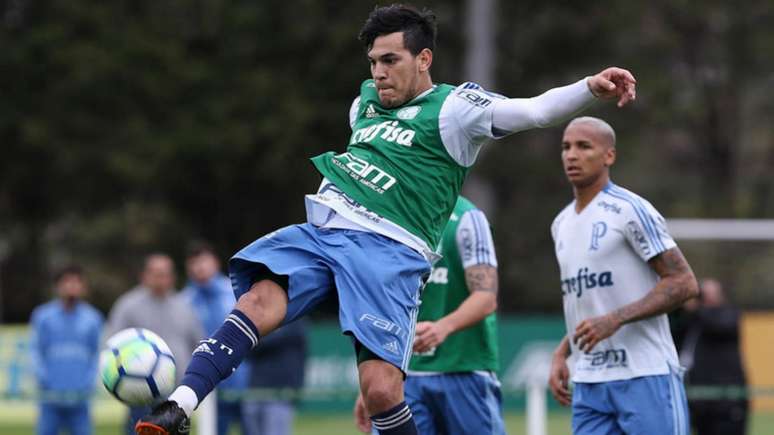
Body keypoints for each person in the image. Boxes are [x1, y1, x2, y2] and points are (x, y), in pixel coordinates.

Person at [136, 4, 637, 435]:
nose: (379, 72)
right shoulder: (365, 104)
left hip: (388, 253)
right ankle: (177, 405)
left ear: (424, 59)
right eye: (373, 61)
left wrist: (588, 87)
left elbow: (531, 111)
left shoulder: (455, 109)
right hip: (325, 230)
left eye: (390, 60)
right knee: (256, 300)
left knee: (380, 392)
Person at [547, 117, 700, 435]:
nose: (571, 155)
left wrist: (615, 319)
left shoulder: (630, 210)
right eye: (566, 147)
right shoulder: (561, 223)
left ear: (609, 156)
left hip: (644, 374)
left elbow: (683, 282)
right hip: (589, 380)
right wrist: (563, 352)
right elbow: (590, 301)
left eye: (583, 146)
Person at [353, 196, 503, 434]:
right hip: (402, 377)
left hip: (463, 370)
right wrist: (373, 383)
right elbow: (381, 301)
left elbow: (486, 297)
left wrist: (442, 327)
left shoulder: (468, 218)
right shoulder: (389, 217)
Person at [107, 253, 203, 435]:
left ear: (173, 277)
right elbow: (113, 345)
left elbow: (197, 344)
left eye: (166, 274)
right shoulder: (128, 305)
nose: (162, 279)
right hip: (141, 396)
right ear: (144, 275)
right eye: (156, 273)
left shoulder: (185, 306)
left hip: (176, 396)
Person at [181, 242, 250, 435]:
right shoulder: (184, 301)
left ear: (215, 263)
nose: (199, 267)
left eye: (203, 261)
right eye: (193, 263)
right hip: (207, 384)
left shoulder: (237, 292)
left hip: (243, 382)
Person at [30, 265, 104, 435]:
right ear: (57, 286)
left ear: (83, 287)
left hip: (81, 400)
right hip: (50, 399)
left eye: (76, 282)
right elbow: (35, 352)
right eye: (67, 282)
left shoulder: (93, 318)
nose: (71, 286)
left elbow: (97, 355)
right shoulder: (43, 316)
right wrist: (45, 380)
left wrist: (88, 382)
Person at [680, 278, 748, 435]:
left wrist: (696, 308)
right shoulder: (692, 321)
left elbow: (720, 326)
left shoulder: (728, 313)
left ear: (720, 294)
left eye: (706, 294)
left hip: (726, 399)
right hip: (699, 399)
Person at [243, 319, 308, 435]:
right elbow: (246, 347)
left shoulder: (295, 319)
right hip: (255, 390)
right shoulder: (263, 318)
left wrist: (252, 338)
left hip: (280, 393)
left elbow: (272, 339)